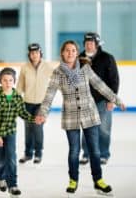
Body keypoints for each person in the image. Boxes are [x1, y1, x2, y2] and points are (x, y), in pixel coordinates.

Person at [35, 40, 125, 195]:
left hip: (90, 114)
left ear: (77, 53)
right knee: (74, 151)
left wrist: (116, 99)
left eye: (73, 50)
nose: (70, 53)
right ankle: (73, 180)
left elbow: (100, 85)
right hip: (71, 118)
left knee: (95, 151)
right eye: (67, 50)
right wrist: (43, 113)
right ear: (62, 53)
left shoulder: (85, 68)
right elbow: (49, 95)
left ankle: (98, 181)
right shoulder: (58, 73)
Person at [0, 67, 36, 197]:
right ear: (0, 81)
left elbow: (22, 113)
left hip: (10, 132)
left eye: (10, 80)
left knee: (11, 158)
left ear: (14, 81)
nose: (8, 83)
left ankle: (13, 185)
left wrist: (34, 119)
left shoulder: (16, 97)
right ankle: (0, 178)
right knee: (0, 160)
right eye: (5, 80)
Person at [79, 32, 120, 165]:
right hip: (85, 100)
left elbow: (114, 80)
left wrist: (111, 99)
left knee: (103, 129)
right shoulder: (79, 58)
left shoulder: (107, 58)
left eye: (91, 43)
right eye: (86, 43)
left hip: (103, 100)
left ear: (96, 44)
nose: (89, 45)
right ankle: (86, 154)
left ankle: (103, 154)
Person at [17, 43, 57, 164]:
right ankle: (28, 153)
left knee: (37, 127)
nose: (35, 55)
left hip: (42, 104)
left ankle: (38, 153)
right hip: (27, 103)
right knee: (28, 129)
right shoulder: (25, 68)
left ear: (40, 53)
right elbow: (20, 86)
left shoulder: (48, 66)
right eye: (32, 53)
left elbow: (58, 80)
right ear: (29, 54)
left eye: (37, 53)